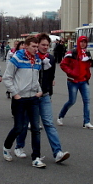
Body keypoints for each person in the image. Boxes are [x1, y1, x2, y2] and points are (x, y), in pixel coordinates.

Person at [15, 34, 70, 164]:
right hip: (29, 96)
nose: (45, 47)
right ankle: (19, 146)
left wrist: (49, 94)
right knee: (24, 123)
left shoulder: (50, 59)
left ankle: (58, 152)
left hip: (44, 95)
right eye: (43, 45)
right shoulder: (30, 58)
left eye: (47, 45)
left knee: (49, 123)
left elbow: (50, 78)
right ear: (37, 45)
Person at [2, 36, 45, 168]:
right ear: (26, 46)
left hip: (33, 98)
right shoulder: (17, 58)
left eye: (37, 47)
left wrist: (39, 90)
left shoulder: (37, 60)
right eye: (33, 46)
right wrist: (15, 94)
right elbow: (7, 77)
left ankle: (36, 157)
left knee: (36, 128)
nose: (36, 49)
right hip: (20, 98)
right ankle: (7, 147)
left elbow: (36, 78)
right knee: (19, 127)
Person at [57, 35, 93, 129]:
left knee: (87, 101)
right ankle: (61, 116)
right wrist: (71, 73)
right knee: (72, 101)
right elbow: (63, 64)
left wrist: (87, 75)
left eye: (85, 42)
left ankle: (87, 122)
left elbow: (87, 66)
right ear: (78, 42)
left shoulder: (87, 53)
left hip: (84, 81)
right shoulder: (72, 53)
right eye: (81, 42)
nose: (83, 44)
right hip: (73, 81)